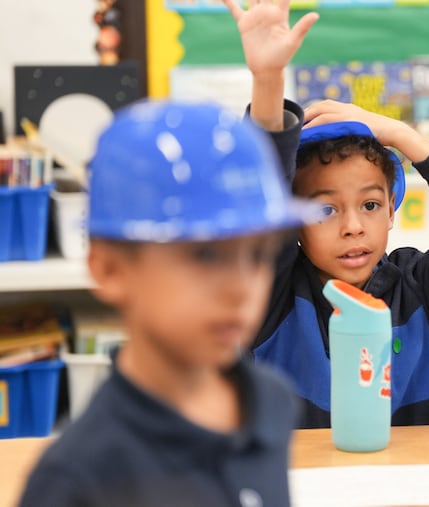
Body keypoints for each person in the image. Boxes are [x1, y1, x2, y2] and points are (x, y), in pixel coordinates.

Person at [17, 3, 324, 507]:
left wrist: (269, 81)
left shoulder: (269, 401)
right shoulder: (78, 479)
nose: (242, 286)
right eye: (205, 256)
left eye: (257, 254)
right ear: (109, 268)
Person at [223, 2, 429, 429]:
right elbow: (261, 201)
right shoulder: (273, 294)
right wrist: (268, 80)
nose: (353, 226)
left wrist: (399, 134)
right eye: (324, 209)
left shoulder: (423, 292)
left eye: (369, 205)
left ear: (390, 211)